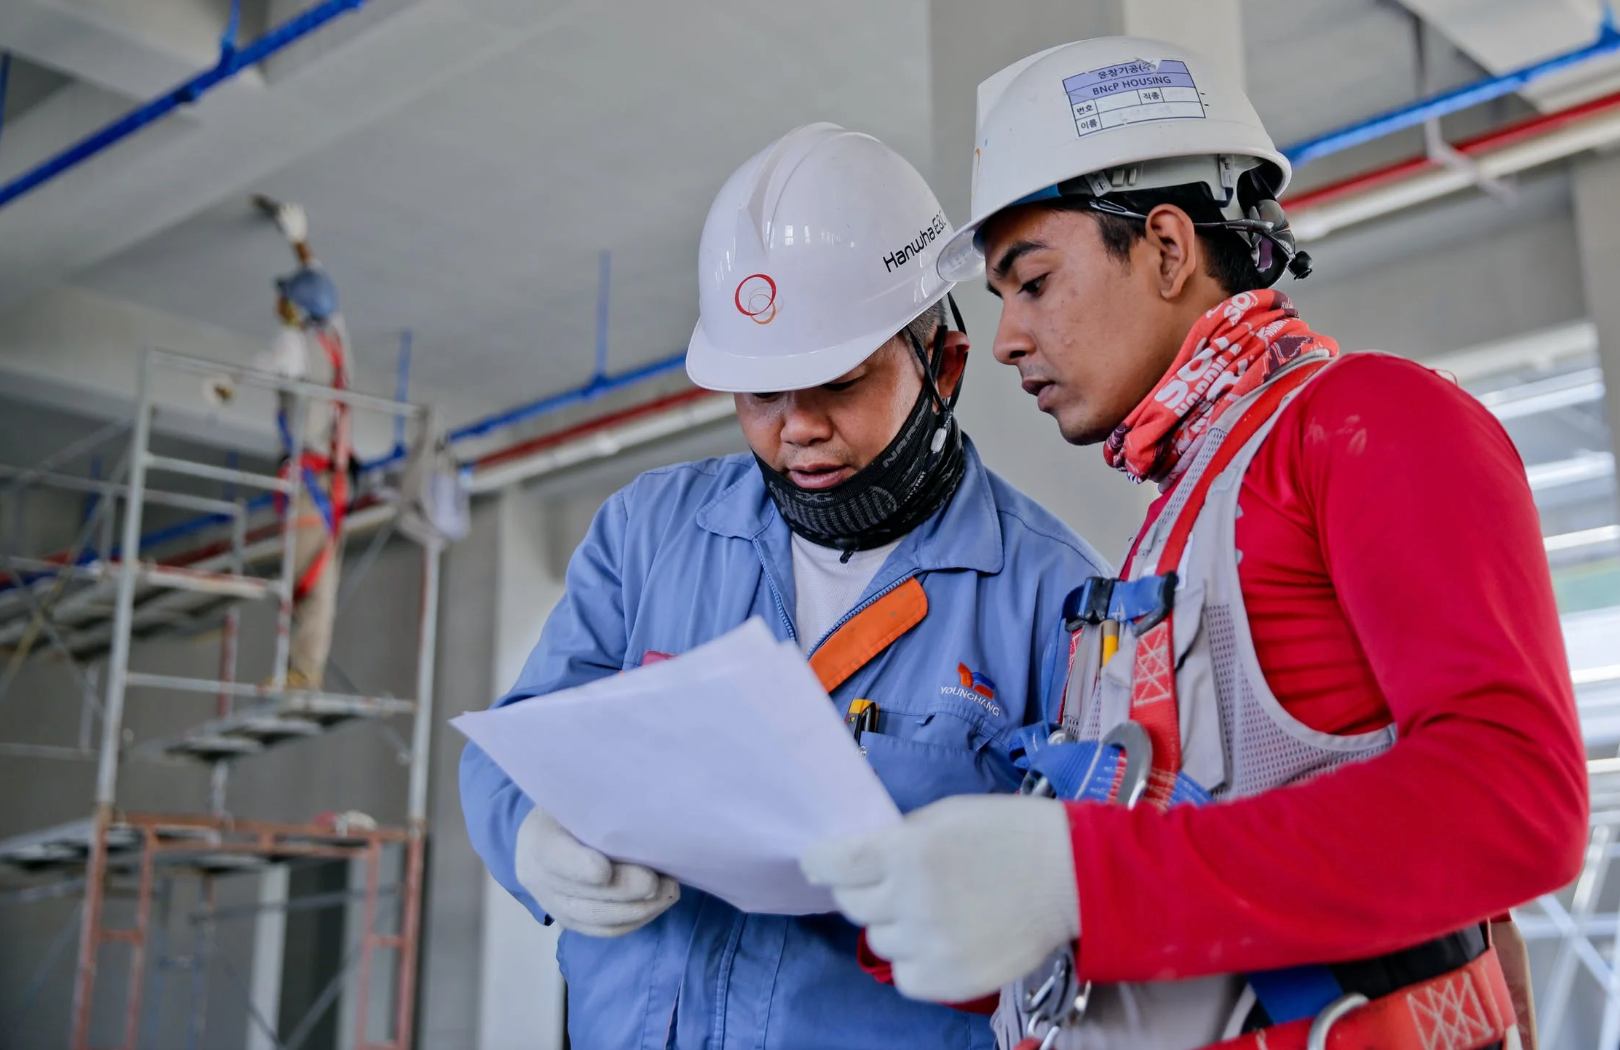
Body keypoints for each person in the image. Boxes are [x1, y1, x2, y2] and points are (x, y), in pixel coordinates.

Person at [803, 38, 1587, 1050]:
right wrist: (951, 897)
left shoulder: (1369, 422)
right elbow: (1166, 862)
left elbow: (1515, 800)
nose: (1004, 339)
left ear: (1168, 248)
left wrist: (1078, 880)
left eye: (1031, 282)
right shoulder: (1176, 525)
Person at [459, 122, 1108, 1049]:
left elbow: (1092, 898)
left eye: (838, 383)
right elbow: (514, 743)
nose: (795, 428)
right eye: (761, 393)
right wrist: (530, 838)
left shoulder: (1053, 597)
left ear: (944, 365)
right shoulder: (649, 535)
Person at [256, 197, 353, 691]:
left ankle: (299, 673)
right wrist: (299, 241)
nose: (278, 305)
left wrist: (224, 386)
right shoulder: (334, 339)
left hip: (310, 482)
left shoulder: (293, 346)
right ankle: (302, 670)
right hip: (328, 478)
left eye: (285, 300)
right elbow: (322, 288)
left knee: (304, 581)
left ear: (295, 310)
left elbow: (260, 367)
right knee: (316, 578)